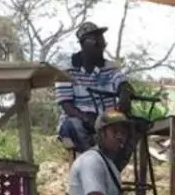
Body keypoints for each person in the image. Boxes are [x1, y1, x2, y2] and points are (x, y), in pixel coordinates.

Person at [56, 21, 132, 155]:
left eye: (103, 44)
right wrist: (87, 118)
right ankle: (97, 161)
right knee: (73, 125)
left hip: (106, 120)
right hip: (80, 119)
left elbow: (122, 83)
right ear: (84, 45)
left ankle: (110, 165)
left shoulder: (110, 68)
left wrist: (124, 93)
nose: (102, 48)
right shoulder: (66, 70)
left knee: (133, 126)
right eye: (97, 44)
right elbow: (67, 106)